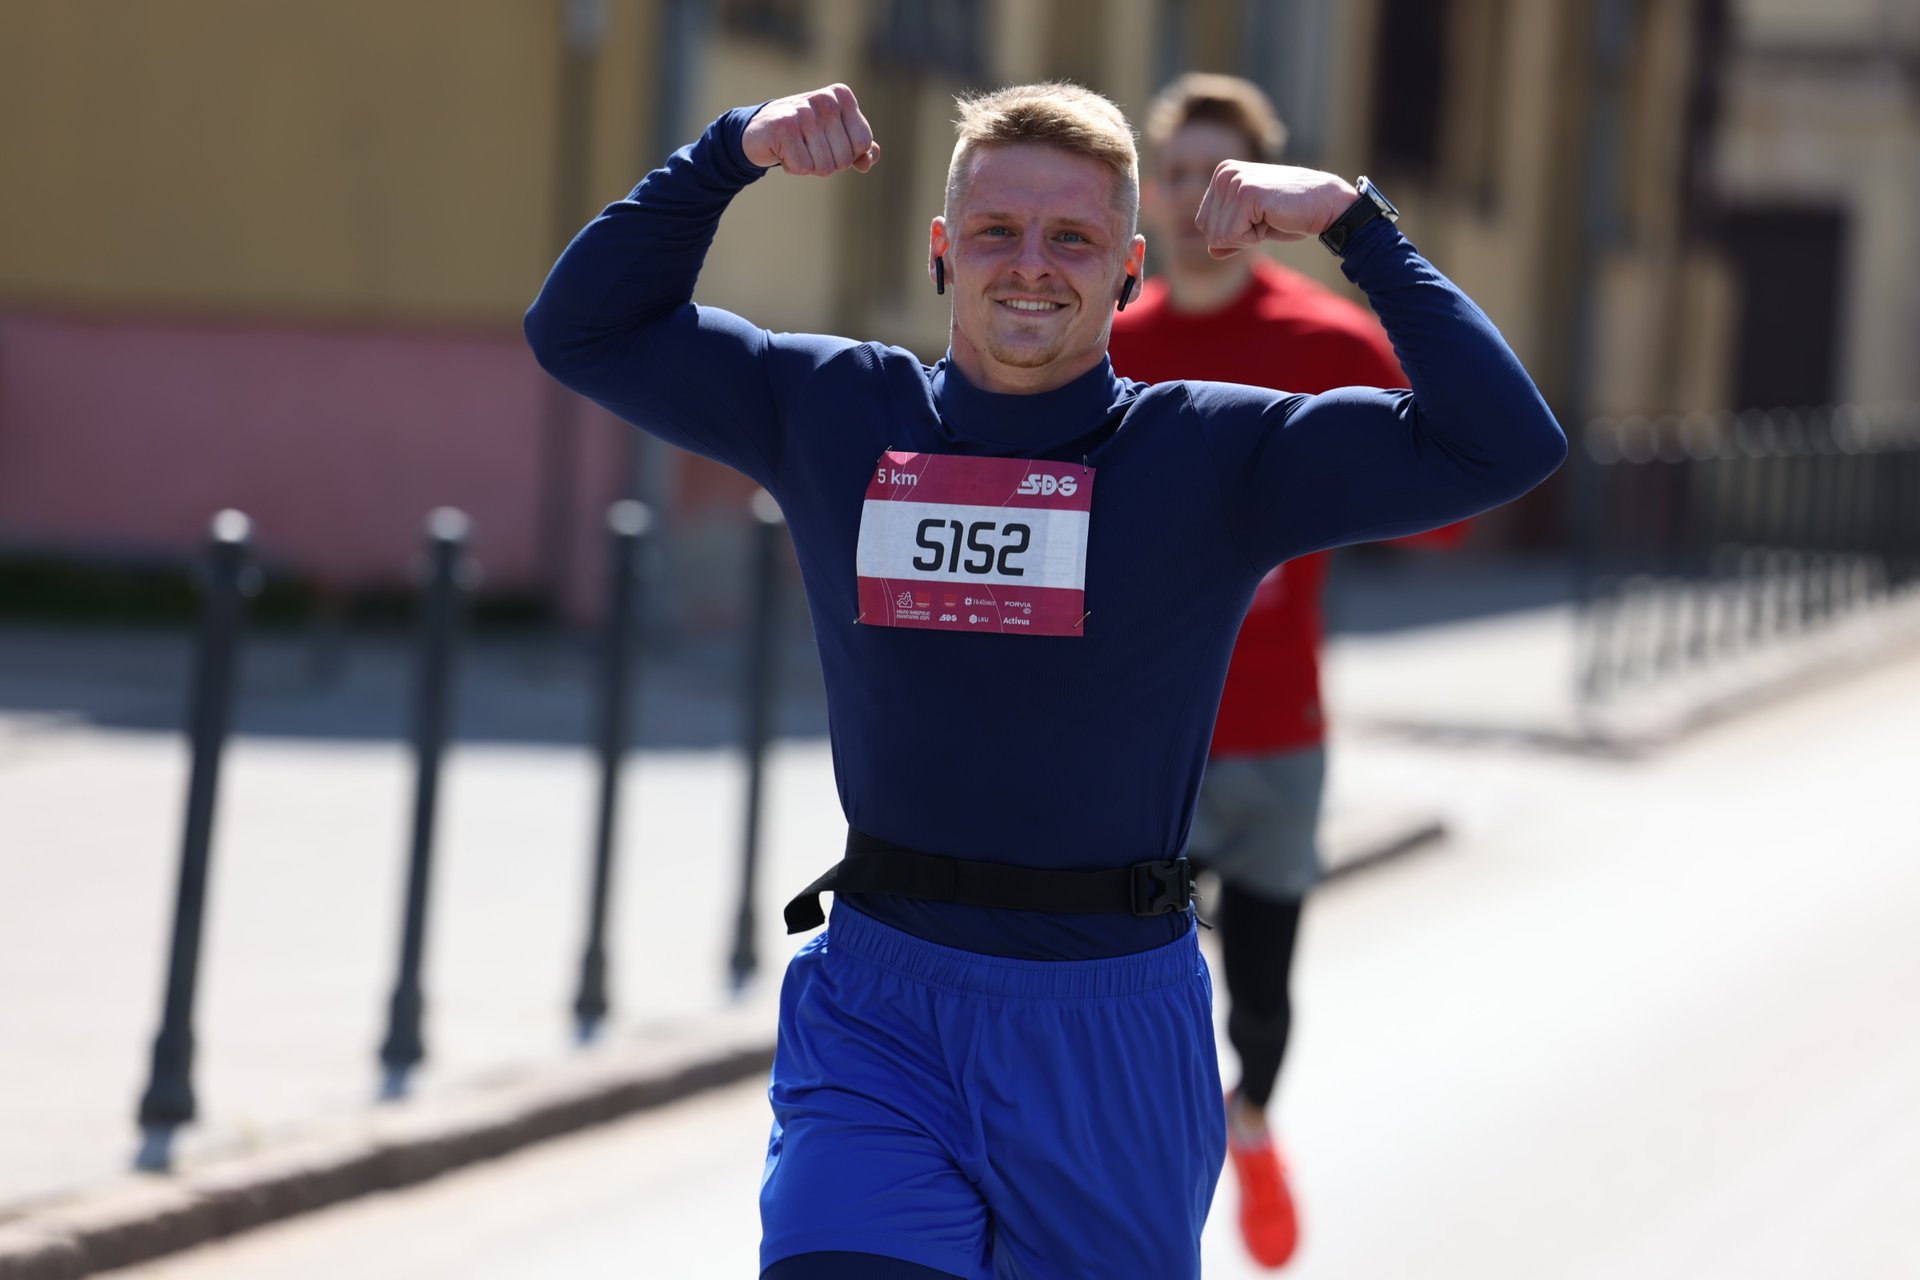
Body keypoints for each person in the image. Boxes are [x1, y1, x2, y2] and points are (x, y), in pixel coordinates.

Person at [526, 79, 1563, 1280]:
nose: (1031, 267)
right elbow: (581, 330)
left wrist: (1355, 223)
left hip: (1108, 1023)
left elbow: (1505, 443)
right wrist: (727, 153)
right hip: (883, 1006)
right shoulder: (837, 409)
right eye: (996, 233)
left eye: (1071, 238)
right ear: (941, 252)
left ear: (1129, 265)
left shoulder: (1211, 451)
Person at [1108, 73, 1466, 1269]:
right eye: (1172, 172)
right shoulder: (1107, 342)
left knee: (1257, 1003)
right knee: (1129, 1004)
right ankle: (1155, 1192)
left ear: (1255, 197)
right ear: (1146, 191)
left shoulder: (1324, 340)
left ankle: (1251, 1121)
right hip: (1142, 743)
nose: (1189, 195)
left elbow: (1452, 494)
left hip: (1273, 734)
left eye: (1220, 176)